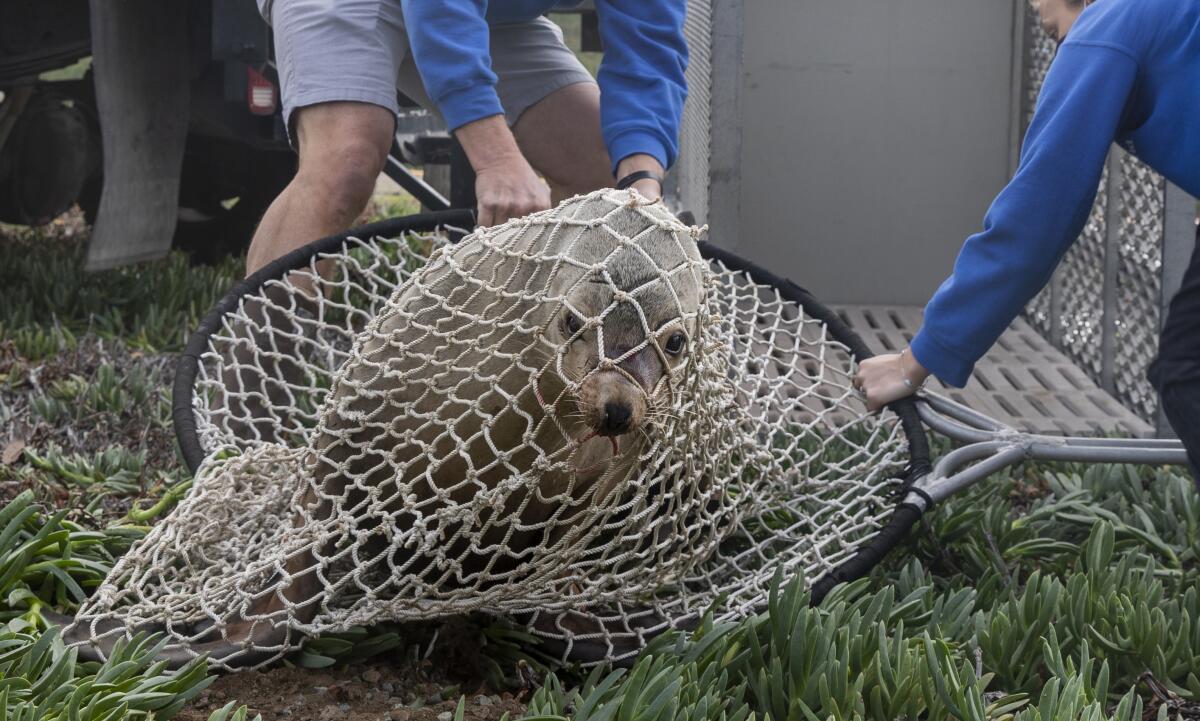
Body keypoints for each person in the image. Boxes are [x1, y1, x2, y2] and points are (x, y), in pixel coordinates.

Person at [854, 0, 1200, 487]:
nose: (1034, 6)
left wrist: (916, 362)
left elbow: (1041, 211)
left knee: (1189, 375)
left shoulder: (1104, 27)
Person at [245, 0, 687, 275]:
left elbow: (648, 49)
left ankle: (553, 388)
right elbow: (440, 9)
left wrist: (640, 185)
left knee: (602, 174)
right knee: (347, 162)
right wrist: (495, 160)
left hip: (489, 11)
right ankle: (249, 400)